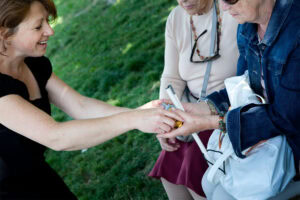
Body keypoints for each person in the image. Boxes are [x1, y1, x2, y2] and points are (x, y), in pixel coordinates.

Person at [0, 0, 184, 199]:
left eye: (47, 21)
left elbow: (80, 105)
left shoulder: (33, 63)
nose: (50, 31)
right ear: (5, 34)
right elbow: (56, 136)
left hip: (36, 175)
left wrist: (142, 113)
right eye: (38, 26)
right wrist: (135, 120)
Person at [158, 0, 300, 199]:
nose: (224, 6)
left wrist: (209, 122)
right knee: (208, 183)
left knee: (219, 193)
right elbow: (242, 84)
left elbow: (287, 117)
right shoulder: (247, 26)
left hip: (291, 145)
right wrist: (202, 108)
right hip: (267, 136)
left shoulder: (295, 30)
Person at [148, 0, 239, 199]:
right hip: (190, 108)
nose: (184, 1)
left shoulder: (235, 10)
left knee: (194, 175)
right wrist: (166, 119)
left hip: (228, 107)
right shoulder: (176, 18)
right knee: (170, 171)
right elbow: (172, 77)